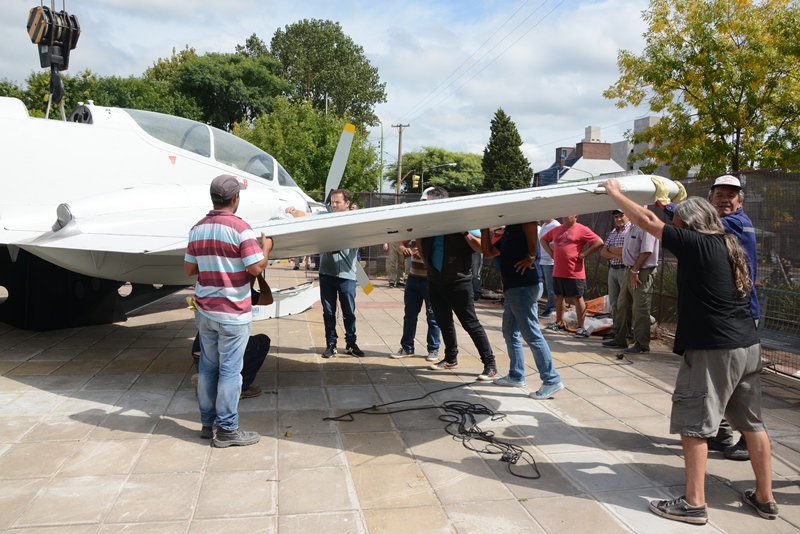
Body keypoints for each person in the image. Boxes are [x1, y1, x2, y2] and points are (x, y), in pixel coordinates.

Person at [603, 178, 778, 525]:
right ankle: (765, 498)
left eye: (678, 220)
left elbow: (648, 221)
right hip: (747, 345)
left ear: (690, 223)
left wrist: (615, 194)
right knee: (753, 424)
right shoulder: (728, 243)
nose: (674, 225)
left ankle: (694, 503)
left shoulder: (697, 243)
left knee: (694, 424)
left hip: (714, 348)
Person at [661, 175, 757, 461]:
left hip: (737, 315)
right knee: (720, 385)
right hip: (733, 314)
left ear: (740, 201)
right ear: (710, 199)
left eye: (731, 195)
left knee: (734, 390)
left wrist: (670, 207)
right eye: (719, 195)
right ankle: (721, 433)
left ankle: (746, 439)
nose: (725, 200)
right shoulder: (728, 225)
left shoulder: (736, 223)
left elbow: (699, 227)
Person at [184, 174, 272, 448]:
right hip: (233, 313)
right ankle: (227, 430)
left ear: (213, 198)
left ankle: (207, 424)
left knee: (208, 369)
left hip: (205, 312)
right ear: (235, 198)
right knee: (231, 371)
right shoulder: (240, 229)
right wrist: (266, 249)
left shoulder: (197, 228)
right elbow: (255, 268)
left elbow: (189, 269)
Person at [417, 186, 498, 381]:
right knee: (443, 321)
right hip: (435, 280)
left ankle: (490, 364)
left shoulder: (462, 220)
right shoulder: (427, 222)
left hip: (458, 281)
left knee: (470, 323)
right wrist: (427, 263)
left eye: (429, 202)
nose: (426, 206)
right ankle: (450, 358)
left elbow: (480, 247)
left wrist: (464, 232)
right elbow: (419, 240)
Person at [481, 223, 564, 399]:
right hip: (514, 288)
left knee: (531, 334)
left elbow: (531, 224)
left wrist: (531, 256)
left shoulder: (521, 222)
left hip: (523, 286)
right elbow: (488, 253)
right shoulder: (509, 232)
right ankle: (516, 375)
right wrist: (484, 229)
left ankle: (551, 380)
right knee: (509, 331)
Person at [286, 189, 365, 358]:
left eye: (337, 202)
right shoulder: (325, 217)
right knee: (328, 312)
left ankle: (351, 343)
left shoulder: (356, 219)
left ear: (347, 203)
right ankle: (331, 344)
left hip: (347, 276)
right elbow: (306, 216)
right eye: (332, 202)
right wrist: (293, 211)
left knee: (349, 312)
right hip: (327, 274)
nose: (334, 205)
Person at [602, 214, 659, 354]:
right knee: (622, 305)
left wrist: (635, 270)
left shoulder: (646, 226)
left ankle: (641, 344)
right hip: (629, 270)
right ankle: (621, 339)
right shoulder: (632, 227)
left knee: (640, 308)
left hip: (641, 272)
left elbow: (646, 251)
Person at [540, 215, 604, 337]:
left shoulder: (582, 229)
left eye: (568, 214)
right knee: (558, 296)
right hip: (558, 270)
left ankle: (581, 327)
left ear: (576, 215)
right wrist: (551, 253)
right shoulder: (557, 229)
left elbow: (599, 242)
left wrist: (584, 254)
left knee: (577, 298)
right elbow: (543, 239)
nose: (565, 217)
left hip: (574, 271)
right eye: (564, 214)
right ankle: (559, 323)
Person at [391, 238, 440, 361]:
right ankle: (407, 347)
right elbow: (400, 243)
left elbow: (441, 250)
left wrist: (424, 253)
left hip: (430, 279)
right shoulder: (414, 231)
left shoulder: (434, 233)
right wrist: (404, 250)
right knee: (409, 315)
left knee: (433, 316)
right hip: (413, 277)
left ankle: (433, 349)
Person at [191, 333, 270, 399]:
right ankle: (239, 388)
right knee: (263, 341)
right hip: (220, 357)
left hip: (200, 360)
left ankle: (206, 382)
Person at [599, 209, 630, 338]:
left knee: (625, 303)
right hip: (613, 269)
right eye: (616, 217)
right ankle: (616, 330)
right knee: (614, 302)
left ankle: (627, 331)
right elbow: (603, 252)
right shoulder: (613, 232)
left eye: (621, 216)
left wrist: (611, 249)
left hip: (625, 269)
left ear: (628, 216)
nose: (618, 219)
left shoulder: (631, 230)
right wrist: (616, 254)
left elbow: (628, 249)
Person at [538, 217, 560, 318]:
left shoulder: (555, 225)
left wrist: (552, 252)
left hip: (550, 261)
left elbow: (556, 243)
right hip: (541, 259)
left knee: (551, 286)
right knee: (540, 284)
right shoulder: (544, 225)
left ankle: (552, 309)